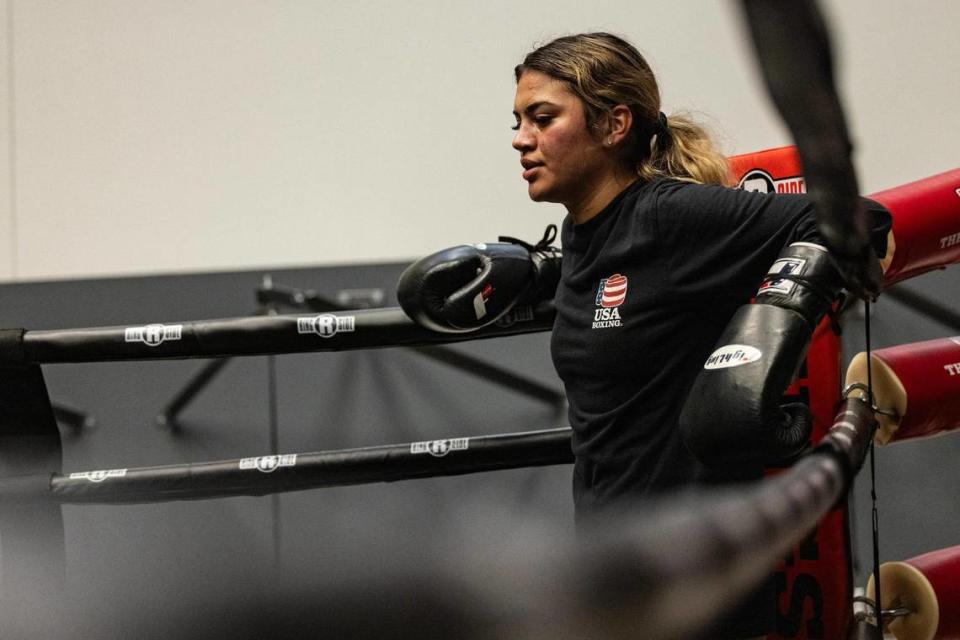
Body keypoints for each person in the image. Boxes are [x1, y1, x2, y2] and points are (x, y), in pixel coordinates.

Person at [511, 32, 887, 639]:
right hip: (616, 571)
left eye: (542, 117)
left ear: (613, 125)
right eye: (518, 120)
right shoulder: (582, 235)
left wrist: (774, 324)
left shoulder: (666, 216)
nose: (520, 138)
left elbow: (858, 219)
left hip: (699, 577)